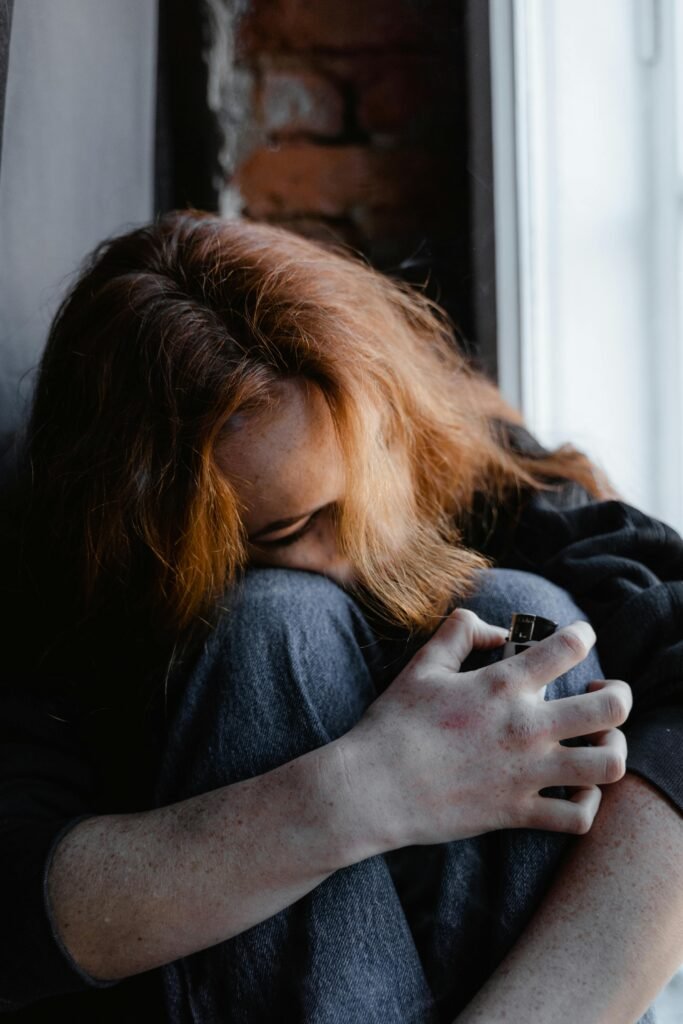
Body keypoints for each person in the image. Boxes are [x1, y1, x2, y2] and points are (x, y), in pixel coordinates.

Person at [1, 209, 682, 1023]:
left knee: (525, 613)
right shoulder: (62, 603)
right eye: (292, 527)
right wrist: (368, 790)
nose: (363, 549)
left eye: (371, 478)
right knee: (273, 622)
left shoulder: (480, 470)